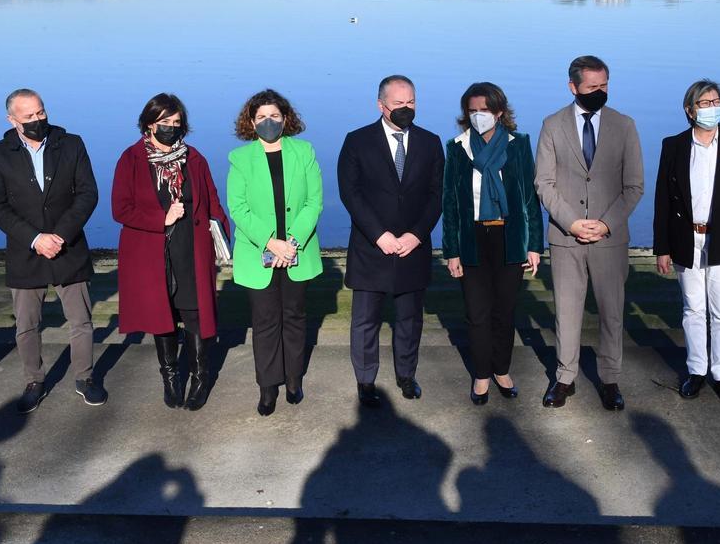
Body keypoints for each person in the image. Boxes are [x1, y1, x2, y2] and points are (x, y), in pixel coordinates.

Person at [0, 88, 106, 413]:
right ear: (12, 120)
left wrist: (60, 235)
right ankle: (34, 381)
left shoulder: (72, 144)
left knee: (81, 320)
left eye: (41, 112)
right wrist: (36, 238)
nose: (38, 119)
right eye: (29, 116)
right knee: (26, 325)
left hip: (69, 248)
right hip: (26, 252)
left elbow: (88, 194)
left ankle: (85, 377)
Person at [535, 55, 644, 411]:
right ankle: (565, 378)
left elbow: (634, 186)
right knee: (566, 312)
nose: (600, 92)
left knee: (612, 312)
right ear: (573, 87)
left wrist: (606, 223)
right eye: (592, 87)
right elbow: (544, 184)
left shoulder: (624, 125)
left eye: (605, 86)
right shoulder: (552, 125)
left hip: (610, 238)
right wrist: (572, 222)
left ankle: (610, 380)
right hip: (566, 238)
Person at [112, 93, 229, 411]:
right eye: (165, 123)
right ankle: (170, 376)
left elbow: (213, 200)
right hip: (150, 251)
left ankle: (201, 377)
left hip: (191, 249)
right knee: (160, 315)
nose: (171, 128)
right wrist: (160, 219)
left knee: (194, 313)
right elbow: (120, 209)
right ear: (149, 124)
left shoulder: (195, 159)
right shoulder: (131, 159)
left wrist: (221, 234)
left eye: (177, 123)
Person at [337, 75, 444, 408]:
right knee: (365, 320)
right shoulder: (357, 141)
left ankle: (406, 376)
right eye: (398, 103)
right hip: (372, 246)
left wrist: (416, 234)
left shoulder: (430, 142)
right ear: (381, 104)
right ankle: (366, 381)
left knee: (409, 319)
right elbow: (350, 193)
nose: (406, 108)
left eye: (411, 102)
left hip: (414, 245)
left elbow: (436, 195)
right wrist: (380, 235)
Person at [652, 80, 720, 403]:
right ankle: (697, 370)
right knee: (693, 309)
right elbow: (663, 200)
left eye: (716, 102)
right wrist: (662, 248)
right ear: (690, 109)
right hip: (688, 237)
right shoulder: (674, 145)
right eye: (705, 103)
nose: (713, 108)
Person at [442, 82, 543, 405]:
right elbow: (451, 204)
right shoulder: (458, 148)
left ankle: (502, 369)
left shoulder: (518, 144)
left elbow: (529, 198)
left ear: (499, 112)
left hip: (508, 238)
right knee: (477, 313)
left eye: (484, 110)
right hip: (472, 239)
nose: (477, 116)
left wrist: (534, 245)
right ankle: (482, 375)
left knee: (504, 311)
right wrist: (452, 251)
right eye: (472, 111)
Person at [227, 89, 323, 417]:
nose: (269, 122)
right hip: (260, 252)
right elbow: (237, 207)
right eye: (262, 117)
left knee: (295, 317)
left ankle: (294, 379)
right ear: (251, 123)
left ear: (286, 118)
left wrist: (292, 241)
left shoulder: (304, 152)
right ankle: (268, 385)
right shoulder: (240, 159)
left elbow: (314, 202)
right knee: (266, 320)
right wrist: (271, 242)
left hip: (298, 250)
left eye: (275, 116)